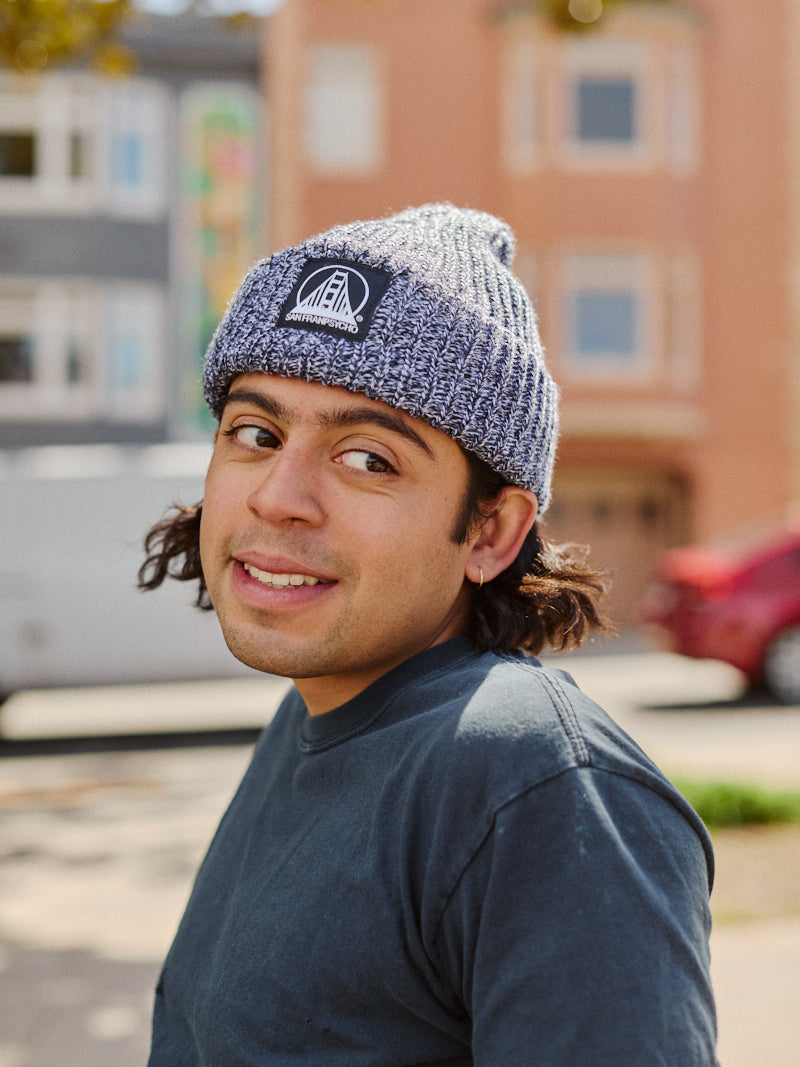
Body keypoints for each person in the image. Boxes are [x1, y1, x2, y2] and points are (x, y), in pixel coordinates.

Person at [140, 203, 718, 1065]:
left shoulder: (536, 785)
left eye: (368, 459)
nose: (276, 496)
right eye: (256, 434)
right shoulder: (314, 714)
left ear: (491, 531)